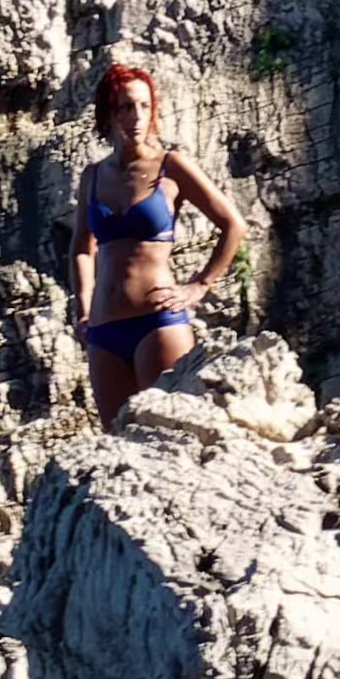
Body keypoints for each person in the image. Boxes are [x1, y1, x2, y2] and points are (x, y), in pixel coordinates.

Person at [69, 50, 246, 419]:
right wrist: (82, 308)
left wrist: (200, 285)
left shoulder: (171, 166)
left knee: (170, 431)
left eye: (143, 106)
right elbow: (82, 249)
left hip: (158, 322)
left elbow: (233, 225)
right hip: (103, 331)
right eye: (124, 107)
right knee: (118, 442)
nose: (135, 117)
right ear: (108, 113)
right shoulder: (92, 176)